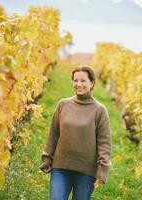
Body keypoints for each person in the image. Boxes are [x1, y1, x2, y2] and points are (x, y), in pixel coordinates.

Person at [40, 65, 112, 200]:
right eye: (75, 80)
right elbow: (53, 134)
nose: (78, 84)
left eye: (83, 81)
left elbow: (104, 142)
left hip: (86, 171)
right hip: (61, 167)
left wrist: (102, 169)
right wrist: (47, 158)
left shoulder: (99, 110)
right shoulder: (63, 105)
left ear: (92, 83)